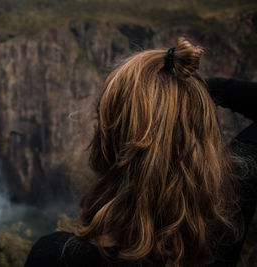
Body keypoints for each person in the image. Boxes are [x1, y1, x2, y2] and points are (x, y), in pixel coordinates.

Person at [25, 38, 257, 266]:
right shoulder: (226, 223)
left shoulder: (54, 256)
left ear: (105, 145)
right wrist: (191, 92)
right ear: (204, 137)